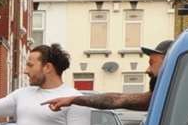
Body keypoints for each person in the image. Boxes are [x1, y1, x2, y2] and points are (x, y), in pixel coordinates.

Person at [43, 39, 171, 112]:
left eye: (152, 63)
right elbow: (118, 98)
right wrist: (73, 100)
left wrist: (73, 100)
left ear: (169, 62)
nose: (147, 70)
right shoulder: (164, 96)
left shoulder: (169, 97)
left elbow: (117, 100)